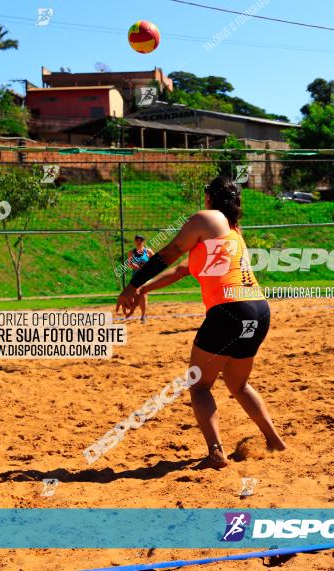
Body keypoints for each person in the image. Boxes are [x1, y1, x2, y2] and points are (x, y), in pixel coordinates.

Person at [117, 175, 286, 469]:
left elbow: (168, 255)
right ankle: (274, 440)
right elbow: (182, 269)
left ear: (209, 197)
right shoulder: (232, 231)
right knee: (238, 383)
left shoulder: (205, 218)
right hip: (258, 311)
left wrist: (132, 284)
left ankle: (216, 453)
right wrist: (144, 289)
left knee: (199, 386)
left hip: (229, 311)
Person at [126, 235, 154, 322]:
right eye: (137, 240)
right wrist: (132, 265)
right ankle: (136, 310)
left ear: (143, 242)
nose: (139, 241)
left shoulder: (148, 251)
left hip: (145, 277)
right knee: (137, 295)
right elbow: (129, 263)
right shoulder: (131, 252)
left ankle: (143, 316)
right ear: (134, 241)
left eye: (141, 240)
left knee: (144, 295)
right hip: (136, 277)